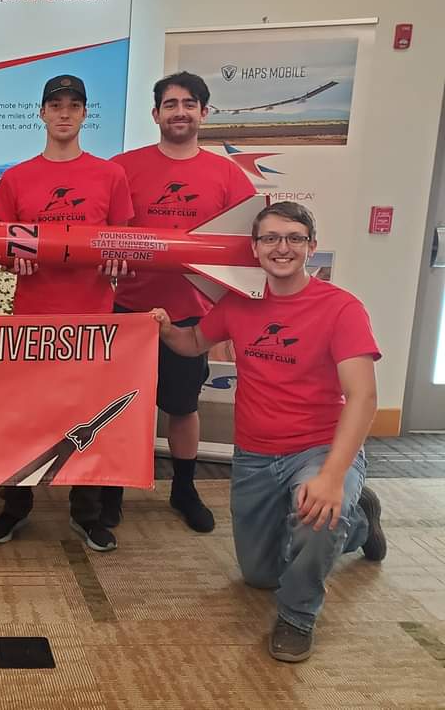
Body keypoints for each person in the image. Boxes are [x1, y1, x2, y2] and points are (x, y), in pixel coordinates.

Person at [152, 201, 386, 663]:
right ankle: (361, 521)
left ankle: (298, 617)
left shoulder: (341, 308)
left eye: (294, 238)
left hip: (319, 447)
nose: (282, 248)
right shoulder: (239, 303)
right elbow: (194, 341)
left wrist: (333, 475)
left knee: (320, 514)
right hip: (256, 455)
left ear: (311, 248)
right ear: (255, 248)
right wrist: (163, 328)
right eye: (271, 239)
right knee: (260, 574)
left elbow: (363, 398)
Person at [0, 74, 133, 551]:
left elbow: (124, 242)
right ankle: (15, 503)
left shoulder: (110, 176)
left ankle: (85, 512)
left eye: (74, 105)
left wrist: (116, 255)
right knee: (25, 416)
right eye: (56, 105)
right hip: (31, 319)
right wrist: (12, 256)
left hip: (91, 320)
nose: (64, 113)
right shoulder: (16, 178)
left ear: (85, 113)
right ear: (42, 112)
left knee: (89, 417)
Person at [111, 72, 257, 533]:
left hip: (191, 314)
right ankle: (111, 489)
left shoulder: (228, 176)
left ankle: (184, 488)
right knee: (120, 407)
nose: (179, 111)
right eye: (170, 104)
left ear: (203, 113)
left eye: (189, 103)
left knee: (182, 406)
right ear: (155, 114)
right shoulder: (123, 168)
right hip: (125, 310)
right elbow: (106, 232)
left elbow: (244, 244)